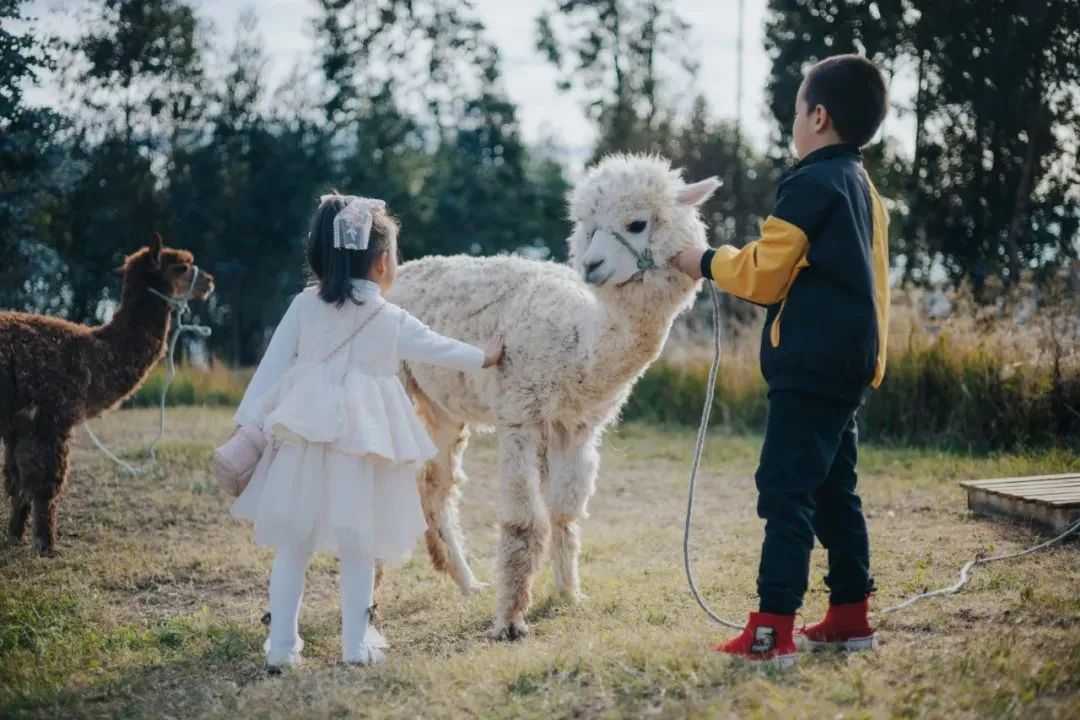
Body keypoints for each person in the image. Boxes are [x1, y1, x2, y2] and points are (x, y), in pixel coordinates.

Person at [673, 54, 891, 667]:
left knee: (785, 490)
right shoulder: (863, 188)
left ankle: (771, 630)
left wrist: (705, 260)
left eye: (797, 110)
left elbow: (765, 275)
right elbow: (875, 284)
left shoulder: (811, 182)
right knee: (832, 490)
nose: (794, 121)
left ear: (818, 116)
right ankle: (850, 616)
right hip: (848, 365)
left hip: (811, 366)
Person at [230, 194, 503, 672]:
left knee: (294, 544)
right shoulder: (388, 317)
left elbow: (270, 370)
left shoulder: (302, 305)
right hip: (365, 444)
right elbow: (440, 348)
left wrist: (249, 422)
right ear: (382, 263)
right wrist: (484, 356)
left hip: (304, 439)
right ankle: (355, 647)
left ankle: (281, 647)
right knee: (360, 544)